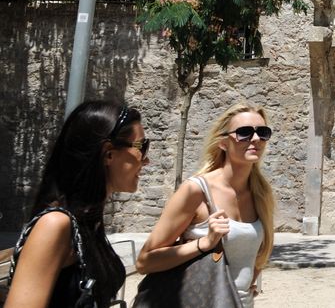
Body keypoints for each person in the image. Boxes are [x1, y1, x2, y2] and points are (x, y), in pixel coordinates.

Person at [7, 101, 149, 308]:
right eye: (142, 147)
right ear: (108, 153)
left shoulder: (88, 220)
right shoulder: (55, 224)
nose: (147, 160)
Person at [136, 103, 275, 307]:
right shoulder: (196, 190)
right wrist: (205, 243)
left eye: (262, 133)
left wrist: (246, 283)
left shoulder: (261, 193)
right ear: (223, 143)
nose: (255, 139)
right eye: (244, 133)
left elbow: (255, 257)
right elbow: (144, 261)